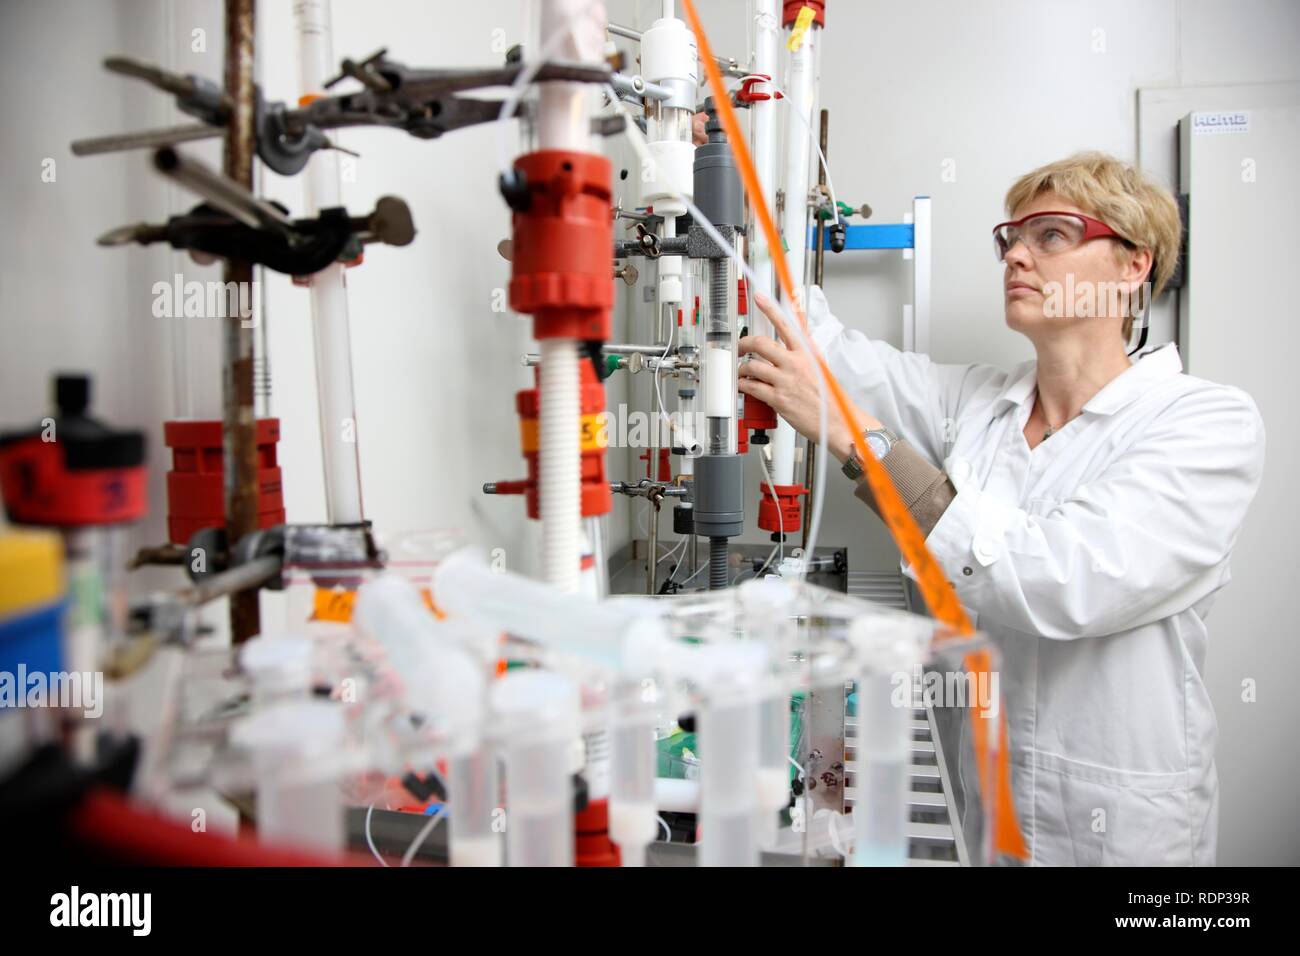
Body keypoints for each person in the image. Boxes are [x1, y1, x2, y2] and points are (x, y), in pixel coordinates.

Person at [738, 152, 1266, 865]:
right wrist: (743, 194)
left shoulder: (1204, 424)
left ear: (1133, 266)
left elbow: (1063, 582)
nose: (1015, 253)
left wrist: (856, 438)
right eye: (1009, 238)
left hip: (1123, 836)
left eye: (1051, 235)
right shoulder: (981, 406)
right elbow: (824, 351)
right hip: (988, 814)